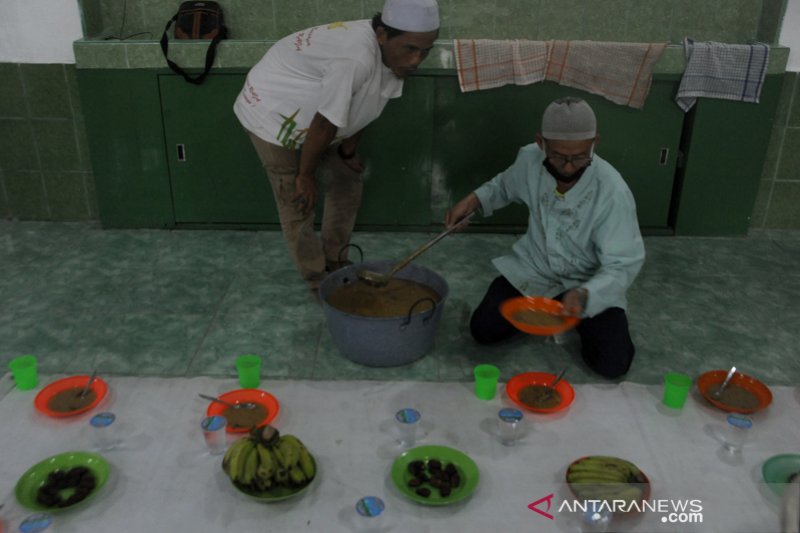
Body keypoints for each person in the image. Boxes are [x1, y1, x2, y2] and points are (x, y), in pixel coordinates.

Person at [233, 0, 439, 302]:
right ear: (382, 35)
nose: (416, 60)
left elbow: (368, 105)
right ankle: (319, 281)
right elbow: (325, 121)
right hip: (273, 111)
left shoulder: (390, 57)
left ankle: (336, 261)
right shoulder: (355, 58)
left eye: (425, 51)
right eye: (410, 49)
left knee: (347, 179)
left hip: (317, 118)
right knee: (297, 201)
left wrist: (346, 152)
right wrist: (304, 175)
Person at [445, 97, 645, 379]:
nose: (568, 167)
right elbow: (503, 186)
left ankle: (575, 311)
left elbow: (624, 262)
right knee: (483, 331)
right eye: (559, 156)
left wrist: (587, 295)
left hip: (587, 283)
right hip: (536, 270)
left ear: (594, 142)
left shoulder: (612, 191)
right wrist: (472, 201)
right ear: (541, 143)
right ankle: (545, 306)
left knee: (612, 364)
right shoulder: (529, 160)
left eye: (579, 156)